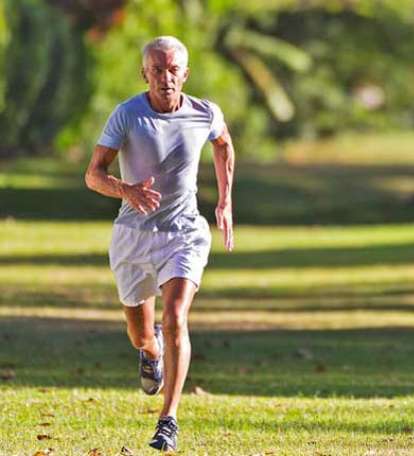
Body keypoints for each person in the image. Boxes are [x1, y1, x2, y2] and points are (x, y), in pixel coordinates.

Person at [84, 35, 235, 452]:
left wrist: (224, 200)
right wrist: (125, 189)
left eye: (173, 70)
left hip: (184, 233)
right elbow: (93, 173)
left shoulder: (205, 113)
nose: (165, 78)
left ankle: (168, 420)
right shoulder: (127, 115)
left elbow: (223, 144)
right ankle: (151, 351)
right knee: (140, 333)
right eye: (157, 69)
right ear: (144, 73)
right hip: (133, 236)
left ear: (185, 74)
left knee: (175, 317)